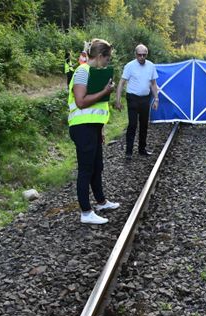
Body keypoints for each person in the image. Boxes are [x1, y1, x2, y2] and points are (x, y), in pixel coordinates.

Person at [68, 38, 120, 225]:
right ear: (99, 56)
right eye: (107, 58)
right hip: (82, 128)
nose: (108, 62)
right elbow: (81, 101)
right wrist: (105, 91)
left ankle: (101, 202)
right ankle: (86, 212)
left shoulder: (93, 72)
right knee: (86, 170)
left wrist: (101, 129)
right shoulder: (82, 72)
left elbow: (95, 105)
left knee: (97, 167)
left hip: (93, 128)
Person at [115, 44, 159, 159]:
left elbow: (153, 84)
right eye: (140, 55)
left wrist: (156, 98)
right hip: (133, 98)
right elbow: (121, 83)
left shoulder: (151, 66)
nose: (142, 57)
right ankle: (129, 151)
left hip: (145, 98)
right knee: (132, 124)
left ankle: (142, 149)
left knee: (144, 125)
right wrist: (118, 100)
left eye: (144, 55)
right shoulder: (129, 66)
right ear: (136, 54)